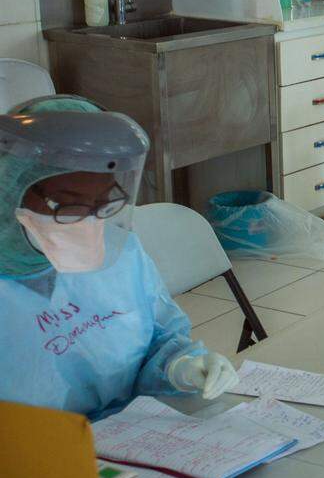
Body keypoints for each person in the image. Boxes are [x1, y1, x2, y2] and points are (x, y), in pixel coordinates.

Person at [0, 96, 239, 420]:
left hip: (132, 442)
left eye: (103, 202)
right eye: (70, 205)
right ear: (11, 188)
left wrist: (180, 365)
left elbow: (155, 338)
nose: (89, 222)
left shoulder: (120, 254)